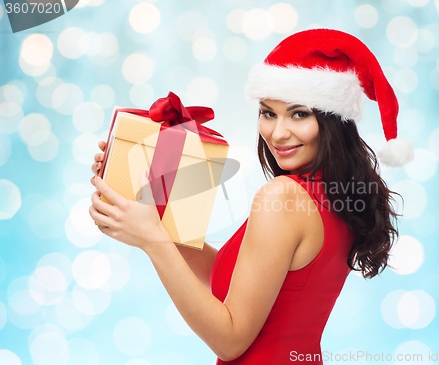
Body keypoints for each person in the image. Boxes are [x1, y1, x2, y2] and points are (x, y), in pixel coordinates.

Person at [89, 29, 414, 364]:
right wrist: (157, 225)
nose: (278, 132)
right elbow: (251, 283)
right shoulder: (336, 192)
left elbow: (229, 341)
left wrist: (153, 241)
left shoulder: (283, 196)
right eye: (268, 112)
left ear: (331, 120)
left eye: (299, 114)